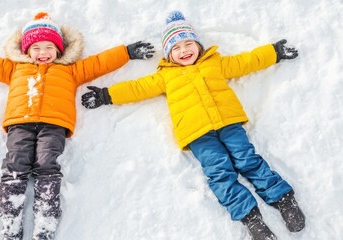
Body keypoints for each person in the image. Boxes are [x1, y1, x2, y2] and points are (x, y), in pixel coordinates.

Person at [81, 11, 305, 240]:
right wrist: (106, 95)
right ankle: (251, 218)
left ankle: (283, 199)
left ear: (198, 45)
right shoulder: (165, 76)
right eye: (176, 48)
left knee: (248, 160)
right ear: (169, 55)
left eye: (188, 43)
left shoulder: (214, 63)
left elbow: (245, 61)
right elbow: (137, 88)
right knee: (219, 172)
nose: (183, 50)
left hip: (228, 123)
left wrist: (273, 52)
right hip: (197, 134)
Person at [0, 12, 154, 240]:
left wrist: (126, 52)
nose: (43, 53)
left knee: (47, 163)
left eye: (49, 47)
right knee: (15, 163)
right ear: (26, 50)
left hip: (54, 124)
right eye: (36, 48)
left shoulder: (70, 71)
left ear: (59, 50)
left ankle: (45, 225)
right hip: (20, 123)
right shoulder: (15, 68)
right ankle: (10, 226)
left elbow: (99, 63)